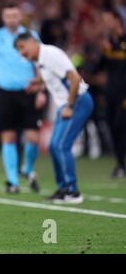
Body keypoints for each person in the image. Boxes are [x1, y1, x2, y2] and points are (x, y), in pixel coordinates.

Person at [14, 32, 93, 204]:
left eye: (22, 47)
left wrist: (70, 106)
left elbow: (73, 78)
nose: (21, 53)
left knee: (61, 145)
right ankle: (63, 188)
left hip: (77, 101)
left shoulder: (50, 54)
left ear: (33, 42)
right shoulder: (41, 59)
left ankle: (73, 191)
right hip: (66, 104)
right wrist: (38, 82)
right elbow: (54, 75)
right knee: (54, 146)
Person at [0, 3, 45, 193]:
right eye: (8, 16)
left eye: (15, 16)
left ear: (20, 16)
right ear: (3, 17)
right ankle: (12, 182)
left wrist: (41, 89)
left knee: (33, 137)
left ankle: (28, 168)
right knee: (8, 137)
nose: (12, 19)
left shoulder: (30, 36)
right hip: (4, 92)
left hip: (28, 90)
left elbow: (40, 62)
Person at [98, 10, 126, 178]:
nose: (106, 24)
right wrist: (104, 53)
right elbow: (100, 68)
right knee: (112, 128)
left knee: (120, 126)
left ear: (117, 21)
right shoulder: (107, 44)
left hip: (124, 93)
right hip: (111, 93)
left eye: (108, 20)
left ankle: (121, 164)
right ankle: (120, 164)